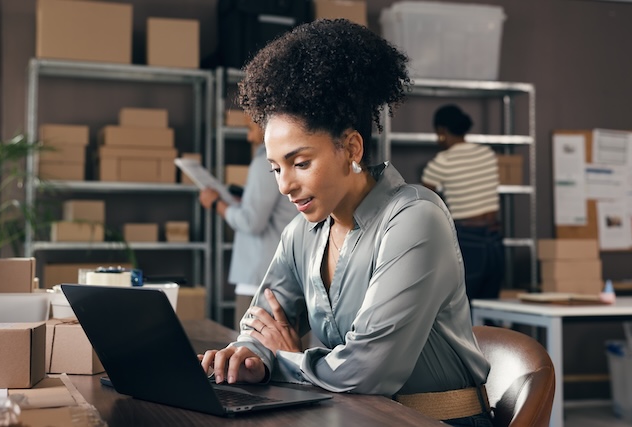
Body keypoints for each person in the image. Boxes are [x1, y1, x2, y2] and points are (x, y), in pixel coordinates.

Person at [199, 19, 492, 426]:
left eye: (300, 163)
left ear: (351, 147)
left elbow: (367, 371)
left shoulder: (414, 220)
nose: (285, 186)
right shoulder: (301, 232)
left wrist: (284, 359)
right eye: (275, 169)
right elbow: (262, 320)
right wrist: (248, 354)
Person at [198, 115, 297, 328]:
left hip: (260, 280)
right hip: (279, 277)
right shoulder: (287, 158)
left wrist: (217, 204)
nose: (248, 135)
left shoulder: (266, 162)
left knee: (249, 355)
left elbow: (252, 221)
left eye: (250, 127)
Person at [421, 104, 505, 303]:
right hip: (494, 237)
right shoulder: (487, 154)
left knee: (463, 307)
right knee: (490, 308)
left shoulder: (442, 161)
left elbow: (424, 202)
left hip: (467, 239)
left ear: (441, 131)